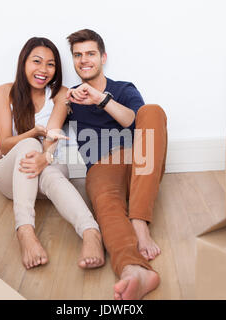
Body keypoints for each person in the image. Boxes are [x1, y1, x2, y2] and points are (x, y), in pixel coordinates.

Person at [0, 37, 104, 270]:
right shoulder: (4, 92)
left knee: (49, 171)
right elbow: (5, 145)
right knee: (31, 144)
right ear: (23, 62)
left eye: (51, 64)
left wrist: (46, 157)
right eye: (37, 61)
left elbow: (51, 137)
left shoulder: (61, 94)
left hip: (50, 166)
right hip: (12, 177)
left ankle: (91, 233)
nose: (43, 70)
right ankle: (25, 232)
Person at [65, 29, 168, 300]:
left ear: (103, 57)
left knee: (153, 111)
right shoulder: (69, 97)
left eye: (90, 54)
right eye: (77, 55)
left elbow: (135, 121)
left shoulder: (123, 88)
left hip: (139, 159)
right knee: (106, 203)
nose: (84, 60)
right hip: (102, 165)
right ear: (73, 60)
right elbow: (46, 126)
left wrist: (101, 99)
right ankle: (135, 271)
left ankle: (139, 221)